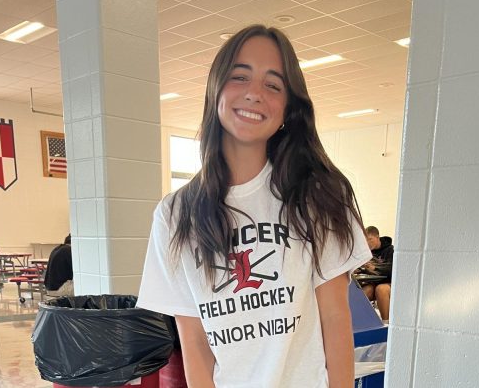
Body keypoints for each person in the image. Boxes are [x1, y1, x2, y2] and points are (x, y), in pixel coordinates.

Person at [136, 24, 371, 388]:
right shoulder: (175, 215)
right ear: (216, 89)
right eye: (240, 77)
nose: (254, 94)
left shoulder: (319, 194)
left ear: (288, 108)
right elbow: (194, 342)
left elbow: (336, 321)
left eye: (273, 84)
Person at [360, 226, 393, 321]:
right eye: (365, 240)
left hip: (387, 282)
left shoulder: (391, 250)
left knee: (381, 289)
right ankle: (362, 322)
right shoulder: (367, 253)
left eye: (370, 239)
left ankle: (386, 322)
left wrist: (375, 268)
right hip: (373, 282)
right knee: (364, 291)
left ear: (377, 237)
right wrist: (360, 269)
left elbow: (393, 269)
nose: (367, 243)